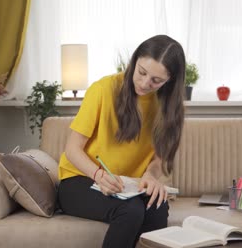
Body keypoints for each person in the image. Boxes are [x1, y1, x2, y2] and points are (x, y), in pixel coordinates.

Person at [57, 34, 186, 248]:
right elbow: (72, 150)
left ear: (170, 81)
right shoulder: (102, 89)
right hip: (79, 179)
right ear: (134, 62)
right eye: (142, 72)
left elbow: (158, 158)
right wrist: (98, 175)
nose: (145, 83)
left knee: (157, 205)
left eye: (156, 80)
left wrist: (151, 176)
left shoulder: (169, 107)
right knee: (131, 210)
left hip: (128, 185)